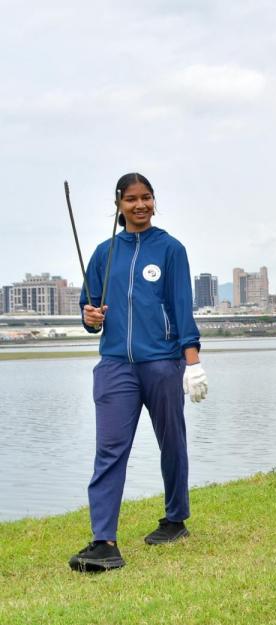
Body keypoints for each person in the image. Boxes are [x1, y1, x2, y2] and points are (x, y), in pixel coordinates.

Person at [69, 173, 208, 572]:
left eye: (146, 198)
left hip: (163, 362)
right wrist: (90, 317)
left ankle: (175, 519)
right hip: (115, 365)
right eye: (131, 199)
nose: (140, 205)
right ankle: (104, 542)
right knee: (110, 449)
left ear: (154, 201)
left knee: (172, 441)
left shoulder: (170, 250)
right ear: (119, 204)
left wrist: (192, 362)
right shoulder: (103, 253)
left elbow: (182, 307)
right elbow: (90, 312)